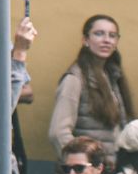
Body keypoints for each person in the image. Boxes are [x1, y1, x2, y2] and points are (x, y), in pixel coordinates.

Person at [49, 14, 133, 158]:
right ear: (85, 40)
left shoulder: (113, 76)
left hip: (109, 168)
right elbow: (58, 133)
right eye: (99, 34)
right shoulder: (74, 79)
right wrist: (84, 164)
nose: (106, 40)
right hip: (87, 170)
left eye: (112, 35)